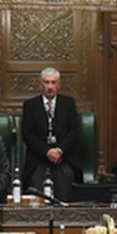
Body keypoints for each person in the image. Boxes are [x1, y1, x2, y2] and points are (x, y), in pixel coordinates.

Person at [22, 67, 82, 198]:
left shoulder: (68, 103)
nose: (50, 86)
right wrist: (47, 151)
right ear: (40, 84)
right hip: (38, 158)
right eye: (46, 82)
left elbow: (74, 130)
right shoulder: (30, 105)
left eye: (53, 82)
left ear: (59, 85)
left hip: (64, 158)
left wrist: (60, 150)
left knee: (66, 191)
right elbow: (27, 134)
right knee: (35, 196)